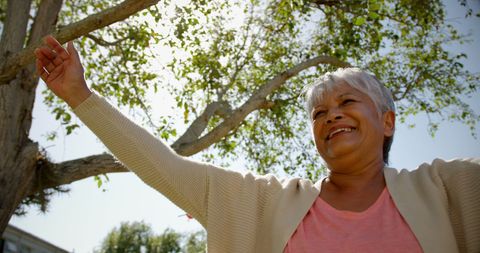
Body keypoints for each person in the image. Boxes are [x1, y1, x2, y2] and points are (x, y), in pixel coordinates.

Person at [34, 35, 479, 253]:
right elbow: (166, 169)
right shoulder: (262, 201)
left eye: (346, 102)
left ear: (387, 121)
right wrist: (79, 96)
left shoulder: (450, 187)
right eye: (319, 114)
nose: (332, 116)